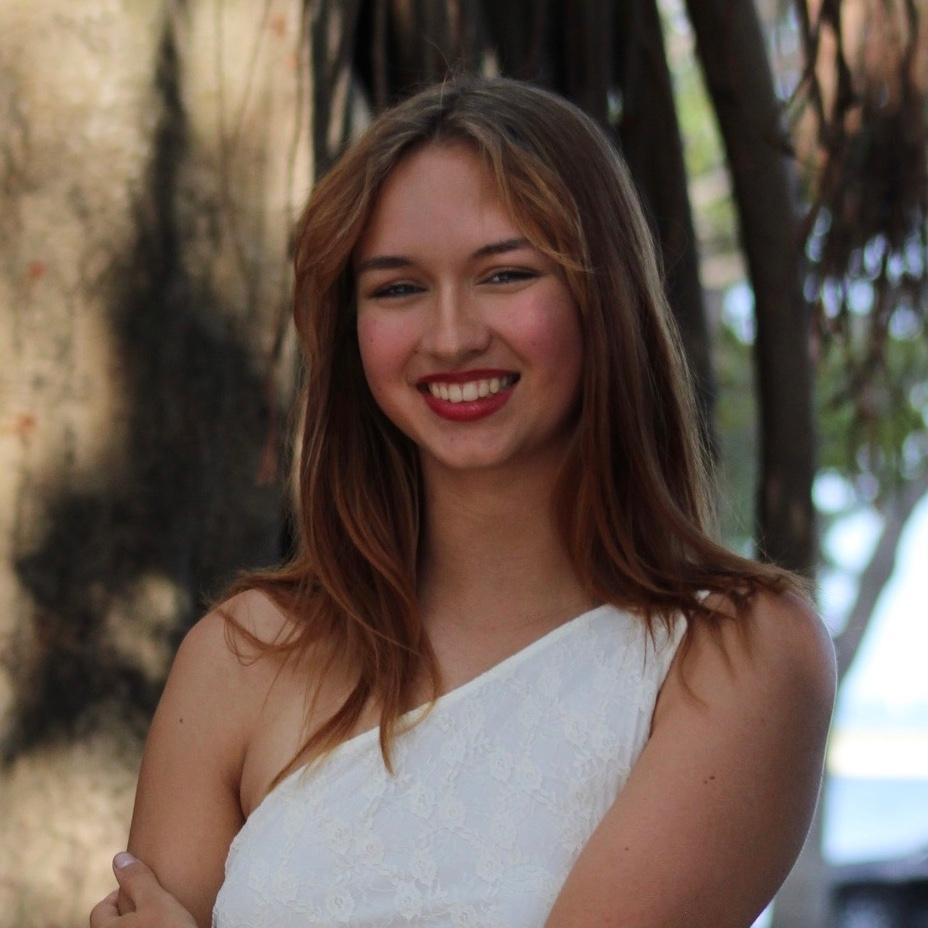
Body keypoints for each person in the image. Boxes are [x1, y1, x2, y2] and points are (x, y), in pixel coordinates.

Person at [89, 75, 836, 928]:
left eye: (505, 274)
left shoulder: (737, 653)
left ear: (605, 297)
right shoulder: (242, 656)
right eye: (397, 288)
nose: (451, 337)